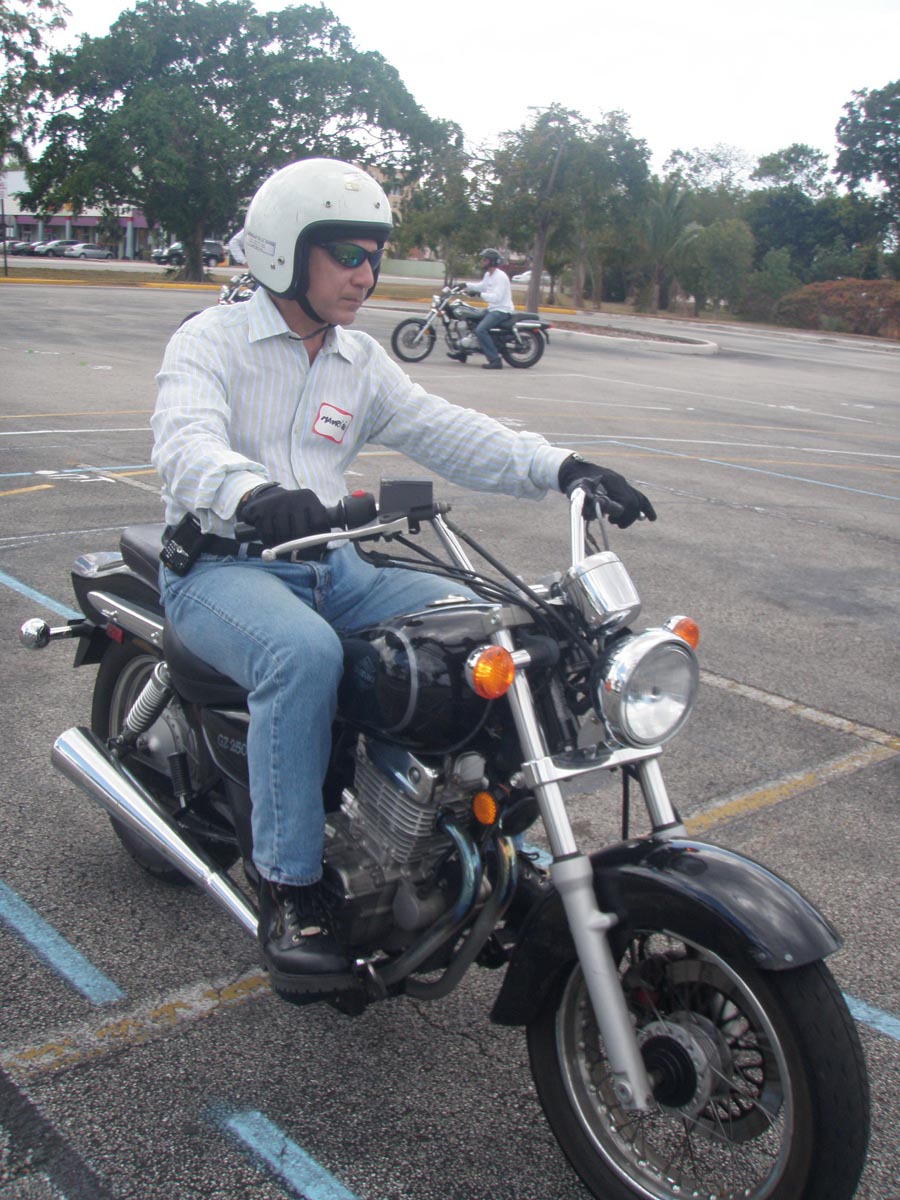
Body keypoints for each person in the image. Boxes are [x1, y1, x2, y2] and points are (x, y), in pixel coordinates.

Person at [151, 158, 656, 996]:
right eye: (346, 254)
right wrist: (251, 493)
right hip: (223, 564)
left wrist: (563, 467)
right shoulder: (211, 340)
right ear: (286, 252)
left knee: (493, 627)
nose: (366, 273)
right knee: (302, 656)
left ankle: (459, 833)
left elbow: (446, 427)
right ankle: (292, 889)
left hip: (335, 566)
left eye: (374, 255)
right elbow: (185, 441)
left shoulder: (357, 360)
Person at [457, 247, 516, 369]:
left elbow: (497, 298)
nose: (482, 262)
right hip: (492, 309)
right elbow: (481, 286)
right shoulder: (488, 275)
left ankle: (495, 360)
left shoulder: (500, 276)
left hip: (502, 310)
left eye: (485, 260)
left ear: (492, 261)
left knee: (481, 330)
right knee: (470, 320)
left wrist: (479, 294)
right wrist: (465, 285)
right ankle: (462, 352)